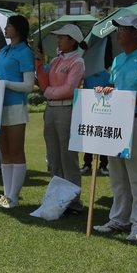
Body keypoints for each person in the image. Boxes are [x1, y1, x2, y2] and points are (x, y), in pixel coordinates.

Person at [92, 15, 137, 243]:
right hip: (117, 120)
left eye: (122, 29)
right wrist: (107, 89)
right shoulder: (118, 59)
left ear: (135, 33)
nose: (117, 33)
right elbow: (115, 86)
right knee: (118, 175)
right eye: (118, 29)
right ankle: (119, 219)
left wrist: (124, 97)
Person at [35, 23, 87, 215]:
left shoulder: (77, 61)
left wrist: (48, 92)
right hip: (51, 110)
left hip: (66, 110)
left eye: (62, 37)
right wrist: (39, 64)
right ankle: (57, 200)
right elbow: (43, 82)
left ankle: (73, 203)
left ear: (72, 40)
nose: (58, 40)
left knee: (68, 158)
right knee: (54, 158)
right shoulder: (57, 61)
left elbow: (69, 89)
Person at [0, 15, 35, 209]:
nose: (5, 28)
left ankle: (14, 197)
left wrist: (5, 83)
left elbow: (29, 85)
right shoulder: (4, 50)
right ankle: (6, 195)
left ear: (19, 29)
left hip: (15, 105)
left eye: (9, 26)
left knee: (16, 152)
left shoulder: (25, 52)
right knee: (4, 152)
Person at [82, 69, 112, 175]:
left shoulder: (108, 76)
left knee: (104, 138)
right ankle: (87, 164)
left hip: (105, 111)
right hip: (90, 111)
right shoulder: (87, 76)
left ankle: (103, 166)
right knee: (89, 137)